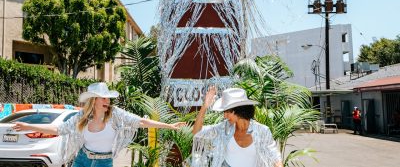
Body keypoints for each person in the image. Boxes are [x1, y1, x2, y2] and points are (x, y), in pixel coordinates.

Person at [13, 82, 185, 167]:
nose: (107, 101)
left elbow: (140, 121)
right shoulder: (82, 117)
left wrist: (169, 126)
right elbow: (59, 129)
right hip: (82, 160)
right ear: (94, 100)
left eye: (108, 98)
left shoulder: (116, 115)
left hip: (104, 162)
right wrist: (29, 126)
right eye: (103, 98)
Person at [191, 86, 283, 167]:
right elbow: (197, 132)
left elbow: (274, 156)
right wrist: (205, 106)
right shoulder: (223, 129)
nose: (225, 116)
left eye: (227, 112)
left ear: (238, 110)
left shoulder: (262, 131)